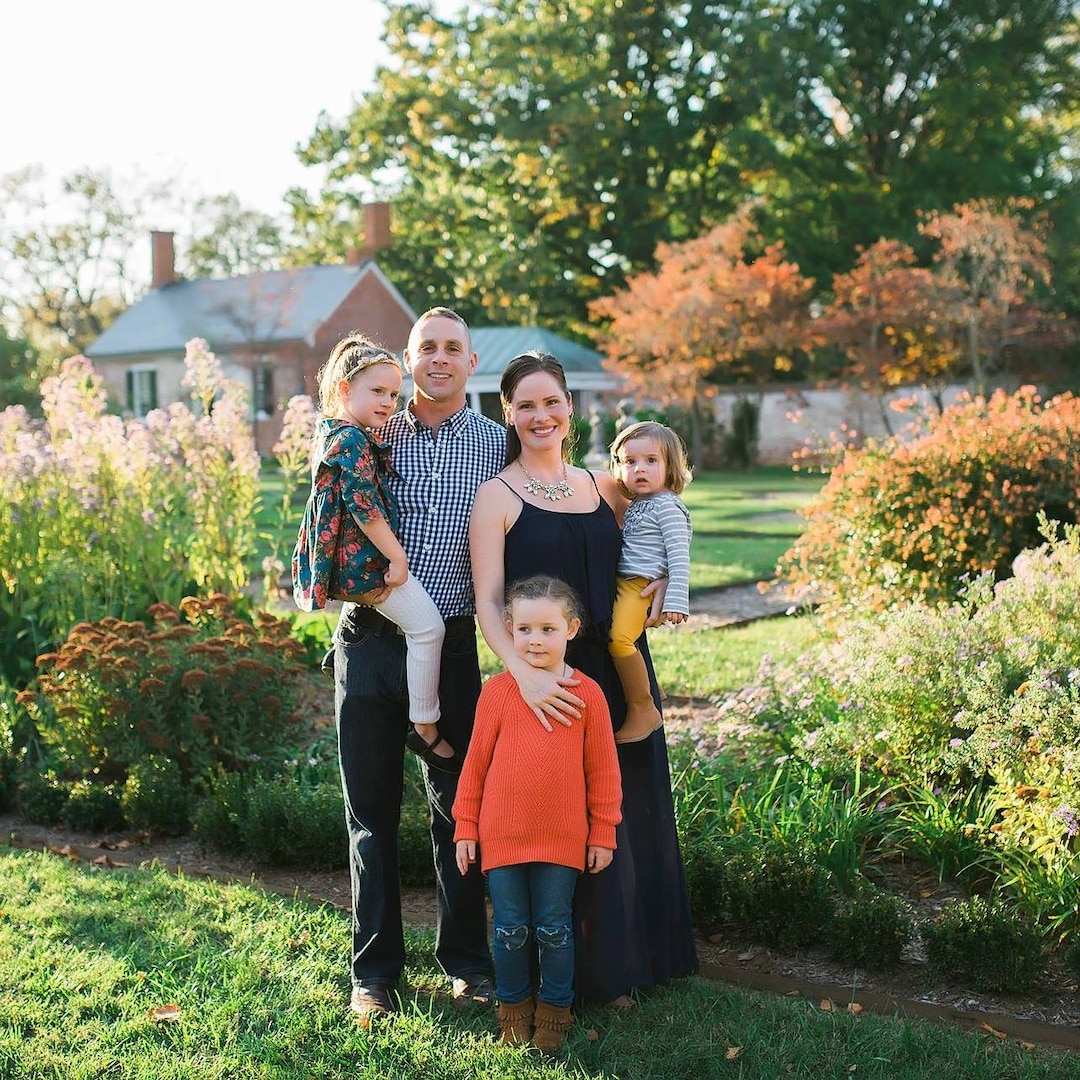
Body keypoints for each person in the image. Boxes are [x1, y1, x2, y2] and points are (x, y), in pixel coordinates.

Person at [469, 350, 698, 1007]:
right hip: (549, 679)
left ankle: (635, 961)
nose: (541, 415)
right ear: (508, 413)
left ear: (571, 407)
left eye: (552, 402)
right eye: (526, 405)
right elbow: (489, 601)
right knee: (567, 819)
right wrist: (523, 676)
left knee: (627, 812)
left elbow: (662, 527)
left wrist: (661, 583)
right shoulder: (497, 496)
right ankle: (581, 974)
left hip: (619, 672)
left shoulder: (606, 486)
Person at [330, 308, 505, 1025]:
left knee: (456, 812)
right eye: (426, 347)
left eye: (452, 348)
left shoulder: (498, 445)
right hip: (371, 641)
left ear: (470, 362)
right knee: (370, 815)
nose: (438, 358)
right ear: (406, 362)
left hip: (454, 647)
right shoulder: (372, 429)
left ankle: (467, 964)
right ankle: (374, 974)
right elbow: (328, 513)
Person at [453, 575, 622, 1053]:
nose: (534, 640)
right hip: (502, 836)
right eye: (524, 629)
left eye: (547, 629)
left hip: (563, 837)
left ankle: (555, 1009)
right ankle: (512, 1006)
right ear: (508, 629)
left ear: (571, 629)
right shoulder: (498, 693)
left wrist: (602, 832)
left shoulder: (587, 695)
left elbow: (604, 770)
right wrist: (466, 825)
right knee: (509, 928)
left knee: (553, 926)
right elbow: (476, 765)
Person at [292, 333, 455, 766]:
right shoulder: (353, 440)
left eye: (394, 394)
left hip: (346, 564)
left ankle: (338, 653)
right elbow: (364, 509)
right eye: (377, 391)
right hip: (363, 566)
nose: (388, 402)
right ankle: (424, 726)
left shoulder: (333, 430)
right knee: (427, 629)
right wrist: (397, 558)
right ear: (345, 390)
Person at [606, 420, 694, 744]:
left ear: (670, 464)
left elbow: (679, 554)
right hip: (625, 581)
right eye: (630, 462)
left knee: (619, 639)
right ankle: (645, 685)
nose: (639, 469)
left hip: (641, 586)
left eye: (651, 461)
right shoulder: (640, 504)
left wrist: (675, 600)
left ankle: (643, 707)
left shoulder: (668, 506)